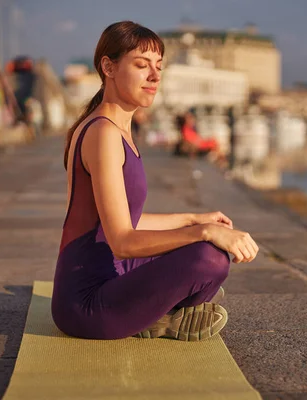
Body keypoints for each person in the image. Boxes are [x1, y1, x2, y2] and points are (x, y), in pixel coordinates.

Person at [53, 21, 259, 342]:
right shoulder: (103, 132)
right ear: (108, 66)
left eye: (158, 67)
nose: (154, 76)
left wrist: (194, 218)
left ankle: (154, 313)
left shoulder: (114, 128)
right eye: (141, 65)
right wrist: (203, 231)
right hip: (88, 305)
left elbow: (122, 219)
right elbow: (121, 240)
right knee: (208, 256)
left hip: (112, 275)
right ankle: (158, 315)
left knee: (210, 255)